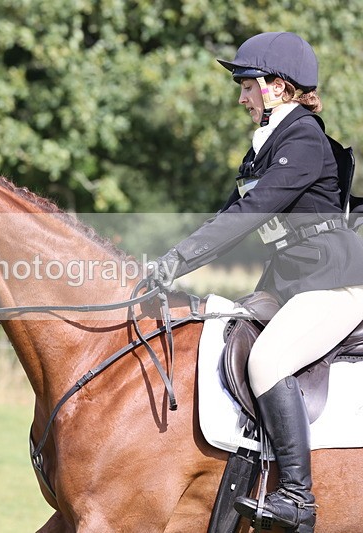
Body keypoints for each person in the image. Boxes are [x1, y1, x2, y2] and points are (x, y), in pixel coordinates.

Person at [150, 32, 363, 532]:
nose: (242, 97)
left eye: (248, 85)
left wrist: (177, 259)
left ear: (280, 88)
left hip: (335, 285)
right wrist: (165, 265)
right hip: (292, 282)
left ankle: (297, 497)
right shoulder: (265, 148)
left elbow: (251, 214)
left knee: (268, 360)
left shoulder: (304, 139)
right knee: (216, 328)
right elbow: (229, 216)